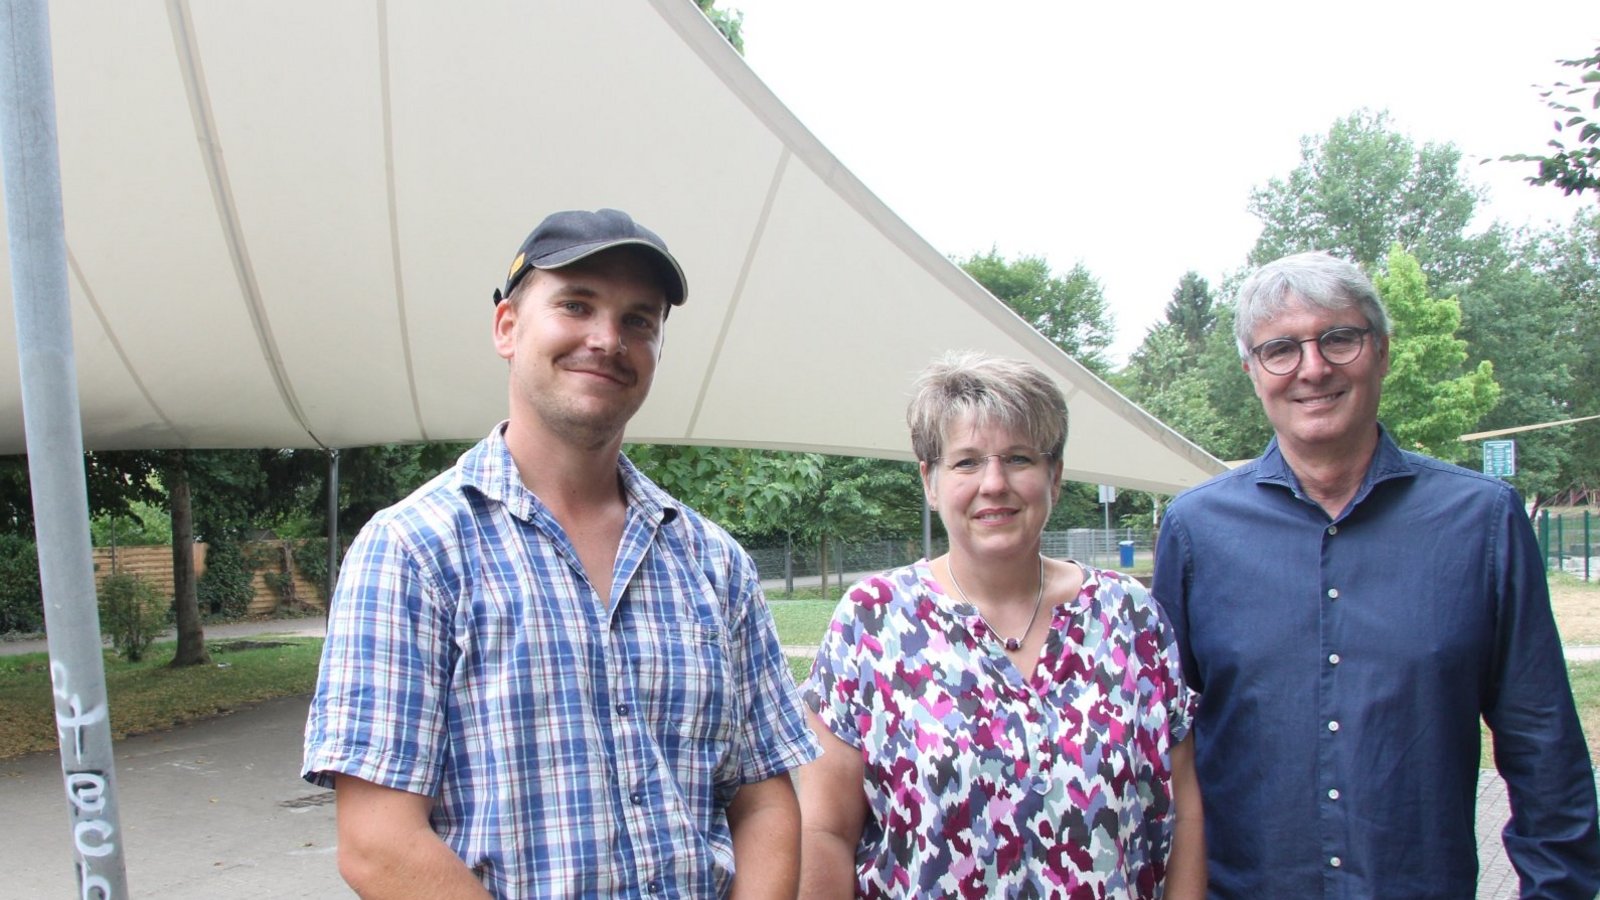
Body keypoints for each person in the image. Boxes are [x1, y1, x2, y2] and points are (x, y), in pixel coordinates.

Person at [301, 208, 820, 898]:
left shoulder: (715, 564)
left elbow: (762, 798)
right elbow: (377, 844)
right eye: (577, 305)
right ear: (507, 328)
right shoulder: (411, 551)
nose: (608, 339)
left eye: (640, 320)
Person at [1153, 251, 1600, 898]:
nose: (1312, 368)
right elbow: (1166, 749)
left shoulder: (1481, 522)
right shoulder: (1197, 532)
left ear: (1382, 351)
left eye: (1339, 338)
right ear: (1253, 372)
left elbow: (1544, 747)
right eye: (1280, 349)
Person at [798, 351, 1205, 899]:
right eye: (966, 462)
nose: (994, 483)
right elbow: (825, 829)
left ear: (1054, 476)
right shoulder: (872, 620)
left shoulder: (1130, 616)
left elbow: (1184, 816)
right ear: (930, 480)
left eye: (1018, 458)